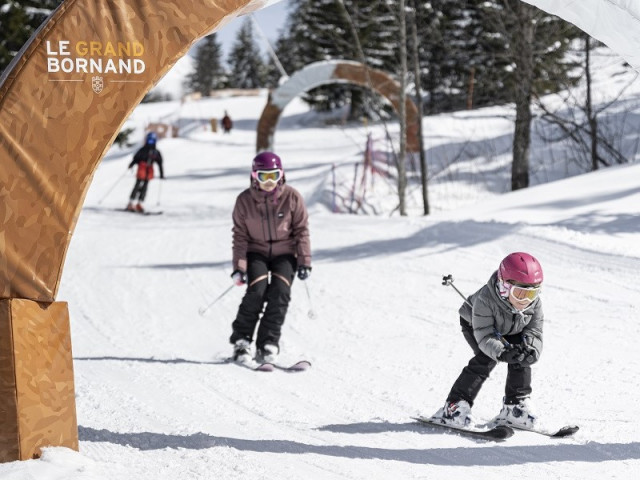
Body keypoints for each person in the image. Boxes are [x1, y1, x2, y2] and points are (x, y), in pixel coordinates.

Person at [435, 252, 544, 429]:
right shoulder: (485, 300)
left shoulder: (534, 304)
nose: (525, 301)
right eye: (519, 293)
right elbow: (485, 335)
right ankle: (454, 407)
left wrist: (531, 350)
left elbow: (534, 330)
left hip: (511, 327)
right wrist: (501, 352)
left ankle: (515, 407)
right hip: (476, 326)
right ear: (504, 286)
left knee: (521, 357)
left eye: (531, 294)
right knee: (486, 360)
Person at [229, 151, 312, 364]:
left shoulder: (292, 198)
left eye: (273, 176)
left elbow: (301, 230)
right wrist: (240, 267)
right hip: (256, 252)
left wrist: (304, 261)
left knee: (280, 292)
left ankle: (268, 342)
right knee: (257, 290)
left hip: (285, 254)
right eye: (263, 177)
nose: (269, 182)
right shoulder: (244, 201)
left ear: (281, 175)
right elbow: (240, 236)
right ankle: (242, 341)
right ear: (254, 176)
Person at [126, 132, 164, 213]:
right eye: (149, 141)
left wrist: (161, 174)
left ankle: (139, 203)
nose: (150, 143)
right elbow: (136, 159)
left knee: (145, 187)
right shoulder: (142, 150)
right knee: (138, 185)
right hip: (142, 168)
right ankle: (131, 203)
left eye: (152, 141)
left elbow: (159, 162)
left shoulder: (156, 152)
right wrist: (131, 164)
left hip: (149, 169)